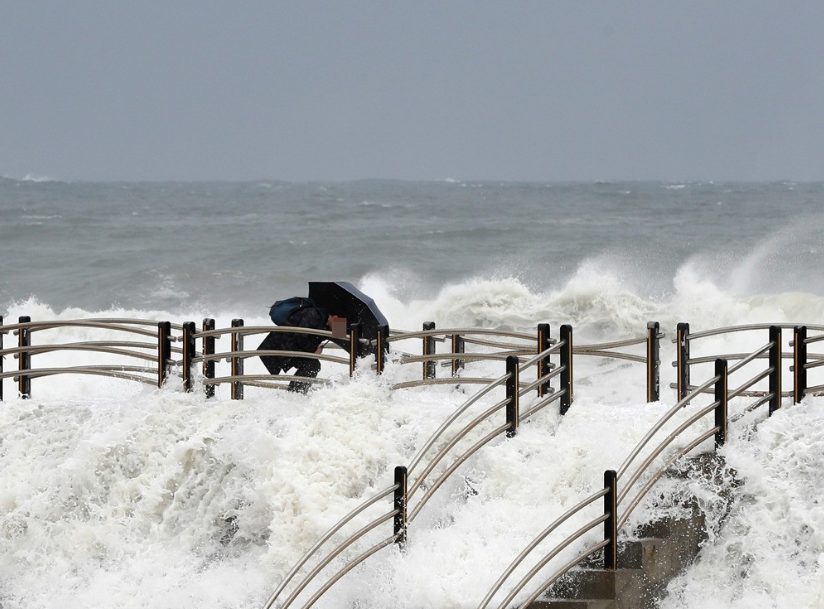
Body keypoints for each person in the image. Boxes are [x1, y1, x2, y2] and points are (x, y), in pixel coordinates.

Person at [256, 301, 342, 393]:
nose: (342, 325)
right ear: (335, 317)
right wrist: (314, 350)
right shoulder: (314, 314)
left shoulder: (326, 321)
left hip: (293, 348)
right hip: (280, 346)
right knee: (312, 365)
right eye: (341, 321)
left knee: (312, 365)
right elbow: (301, 336)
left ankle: (296, 393)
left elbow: (340, 337)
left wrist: (339, 332)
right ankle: (295, 394)